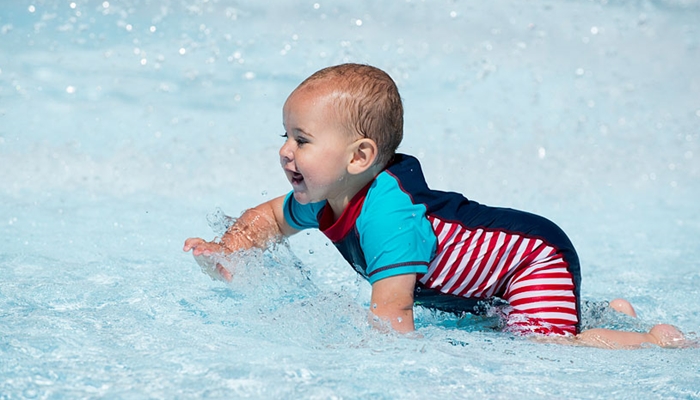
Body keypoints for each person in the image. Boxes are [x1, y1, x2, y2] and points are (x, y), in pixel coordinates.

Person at [184, 63, 687, 349]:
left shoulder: (388, 217)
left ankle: (654, 344)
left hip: (532, 261)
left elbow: (393, 317)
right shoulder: (323, 197)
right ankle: (608, 314)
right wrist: (229, 251)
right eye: (285, 135)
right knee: (496, 323)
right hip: (486, 283)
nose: (285, 151)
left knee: (546, 351)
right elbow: (265, 219)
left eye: (303, 139)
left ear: (360, 157)